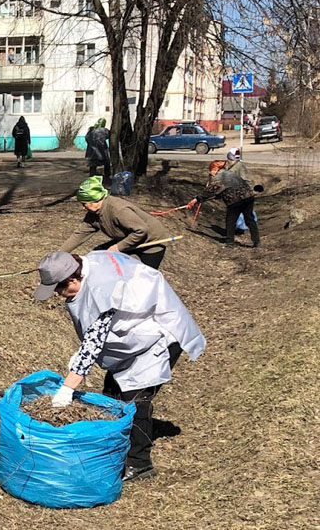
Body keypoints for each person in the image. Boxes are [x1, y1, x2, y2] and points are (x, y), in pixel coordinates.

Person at [34, 250, 205, 482]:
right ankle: (114, 449)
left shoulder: (101, 288)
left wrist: (67, 389)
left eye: (58, 288)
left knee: (136, 402)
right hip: (133, 338)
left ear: (72, 279)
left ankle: (139, 464)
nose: (57, 294)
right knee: (112, 395)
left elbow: (94, 342)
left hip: (158, 336)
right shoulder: (87, 264)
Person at [60, 176, 171, 269]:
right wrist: (60, 254)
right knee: (99, 253)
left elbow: (141, 230)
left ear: (95, 200)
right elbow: (79, 235)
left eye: (84, 204)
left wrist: (118, 247)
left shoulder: (118, 210)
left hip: (152, 241)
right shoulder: (93, 214)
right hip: (129, 238)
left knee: (144, 276)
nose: (83, 208)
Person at [188, 160, 260, 248]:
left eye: (210, 170)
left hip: (235, 201)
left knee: (230, 221)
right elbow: (220, 192)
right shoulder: (229, 174)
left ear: (214, 169)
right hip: (248, 196)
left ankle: (230, 242)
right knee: (250, 219)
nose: (210, 173)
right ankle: (256, 241)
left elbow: (210, 191)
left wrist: (196, 199)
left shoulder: (219, 177)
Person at [85, 118, 111, 183]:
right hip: (102, 152)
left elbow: (87, 139)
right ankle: (107, 177)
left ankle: (92, 178)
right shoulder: (104, 131)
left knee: (93, 166)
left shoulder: (91, 131)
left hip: (91, 152)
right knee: (107, 163)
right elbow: (111, 135)